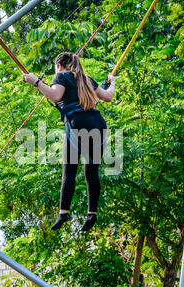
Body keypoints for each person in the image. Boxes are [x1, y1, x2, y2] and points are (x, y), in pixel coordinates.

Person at [23, 52, 116, 231]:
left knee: (69, 171)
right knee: (91, 171)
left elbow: (55, 95)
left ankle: (64, 213)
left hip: (76, 124)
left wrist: (36, 81)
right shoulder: (86, 79)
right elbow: (108, 96)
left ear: (59, 65)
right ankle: (92, 214)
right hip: (97, 124)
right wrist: (113, 83)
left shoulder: (61, 76)